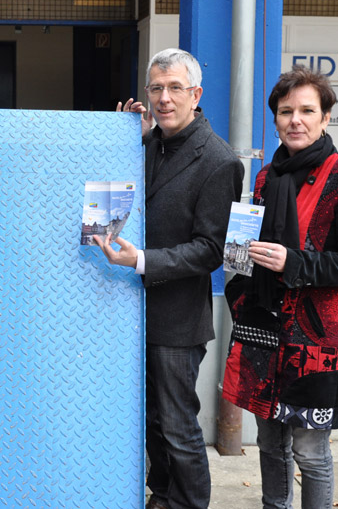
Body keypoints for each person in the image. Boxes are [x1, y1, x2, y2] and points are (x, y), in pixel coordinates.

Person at [94, 48, 244, 509]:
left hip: (177, 318)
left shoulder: (219, 160)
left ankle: (190, 503)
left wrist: (142, 260)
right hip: (126, 312)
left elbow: (211, 250)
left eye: (175, 88)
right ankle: (162, 496)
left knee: (178, 426)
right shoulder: (146, 143)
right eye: (156, 88)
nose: (164, 98)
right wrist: (122, 140)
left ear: (196, 95)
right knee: (150, 421)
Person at [222, 65, 338, 509]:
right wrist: (239, 274)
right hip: (262, 330)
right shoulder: (265, 177)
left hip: (314, 341)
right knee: (269, 443)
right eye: (286, 111)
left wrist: (295, 262)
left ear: (325, 117)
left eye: (307, 111)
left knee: (310, 452)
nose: (296, 120)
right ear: (275, 118)